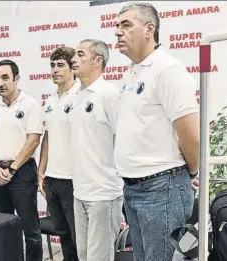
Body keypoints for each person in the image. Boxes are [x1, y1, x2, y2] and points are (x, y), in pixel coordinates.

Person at [114, 3, 200, 261]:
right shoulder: (133, 73)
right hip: (134, 188)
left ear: (149, 29)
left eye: (126, 25)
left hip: (161, 189)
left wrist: (190, 173)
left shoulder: (167, 70)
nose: (118, 32)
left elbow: (191, 135)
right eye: (117, 26)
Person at [0, 59, 43, 261]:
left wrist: (13, 169)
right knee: (1, 228)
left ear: (17, 79)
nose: (0, 83)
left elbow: (33, 140)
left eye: (5, 78)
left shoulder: (31, 104)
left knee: (30, 230)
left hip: (22, 173)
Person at [69, 39, 123, 261]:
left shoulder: (109, 95)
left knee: (99, 257)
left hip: (103, 193)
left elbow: (125, 139)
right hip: (79, 190)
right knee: (83, 255)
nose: (73, 59)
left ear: (98, 60)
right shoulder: (75, 96)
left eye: (80, 54)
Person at [38, 46, 80, 261]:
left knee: (78, 236)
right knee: (62, 234)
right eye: (52, 65)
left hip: (73, 179)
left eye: (60, 65)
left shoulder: (81, 97)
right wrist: (41, 170)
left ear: (73, 68)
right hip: (53, 179)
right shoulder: (50, 100)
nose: (55, 70)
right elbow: (48, 137)